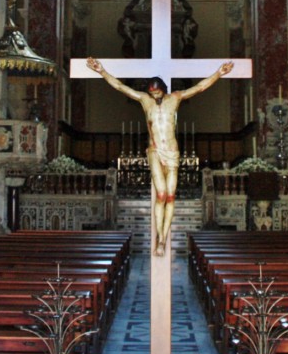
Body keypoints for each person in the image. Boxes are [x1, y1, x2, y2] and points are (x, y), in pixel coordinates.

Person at [86, 57, 233, 256]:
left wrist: (219, 73)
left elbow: (199, 88)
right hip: (154, 151)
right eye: (151, 92)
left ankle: (163, 238)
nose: (154, 95)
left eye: (157, 92)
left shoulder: (175, 98)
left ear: (163, 89)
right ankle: (158, 238)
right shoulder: (145, 100)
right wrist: (102, 71)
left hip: (172, 152)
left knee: (171, 197)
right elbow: (121, 87)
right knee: (161, 194)